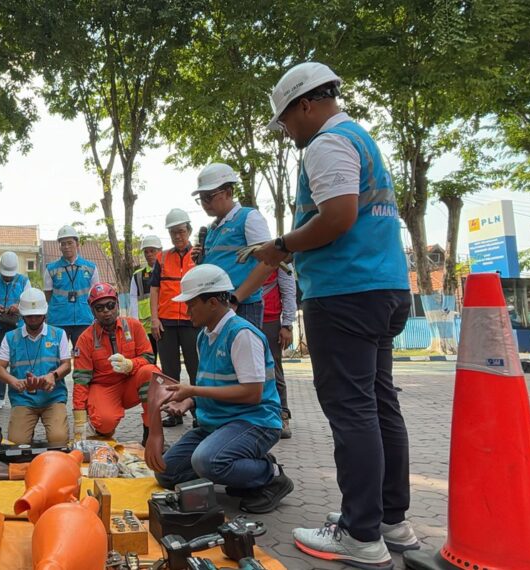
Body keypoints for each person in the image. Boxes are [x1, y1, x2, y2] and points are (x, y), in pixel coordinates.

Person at [251, 62, 418, 565]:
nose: (287, 130)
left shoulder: (327, 143)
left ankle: (360, 533)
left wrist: (281, 245)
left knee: (353, 411)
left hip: (346, 293)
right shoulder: (361, 139)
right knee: (379, 404)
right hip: (383, 287)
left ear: (305, 105)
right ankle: (390, 520)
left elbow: (338, 216)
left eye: (286, 119)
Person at [146, 265, 293, 514]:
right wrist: (187, 402)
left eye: (191, 304)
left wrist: (193, 391)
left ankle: (271, 475)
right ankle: (237, 470)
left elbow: (252, 394)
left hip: (255, 423)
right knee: (166, 472)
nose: (187, 311)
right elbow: (211, 386)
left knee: (207, 461)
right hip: (218, 423)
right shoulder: (205, 336)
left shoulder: (242, 335)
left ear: (213, 303)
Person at [72, 283, 159, 444]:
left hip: (131, 383)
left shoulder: (134, 326)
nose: (106, 311)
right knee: (104, 422)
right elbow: (81, 381)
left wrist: (131, 364)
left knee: (151, 373)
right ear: (92, 311)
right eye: (100, 308)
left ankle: (151, 432)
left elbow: (149, 358)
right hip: (104, 387)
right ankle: (101, 428)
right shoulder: (85, 339)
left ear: (117, 304)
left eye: (110, 305)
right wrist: (79, 421)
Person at [190, 163, 273, 328]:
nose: (205, 203)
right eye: (201, 198)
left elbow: (269, 262)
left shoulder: (249, 217)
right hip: (216, 307)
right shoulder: (212, 229)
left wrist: (236, 298)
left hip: (242, 306)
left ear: (228, 192)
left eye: (209, 196)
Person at [0, 288, 72, 444]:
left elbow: (67, 365)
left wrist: (53, 376)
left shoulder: (58, 334)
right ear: (22, 315)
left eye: (38, 315)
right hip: (23, 399)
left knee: (59, 440)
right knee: (17, 443)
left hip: (53, 398)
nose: (34, 319)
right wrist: (13, 381)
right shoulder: (10, 337)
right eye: (29, 316)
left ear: (45, 314)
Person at [150, 208, 200, 427]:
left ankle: (200, 413)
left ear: (189, 231)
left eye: (181, 231)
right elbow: (154, 290)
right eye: (173, 232)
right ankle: (173, 412)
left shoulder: (199, 256)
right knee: (169, 372)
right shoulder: (161, 258)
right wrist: (154, 319)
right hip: (166, 323)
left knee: (196, 368)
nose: (177, 236)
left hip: (192, 321)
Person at [0, 251, 30, 410]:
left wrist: (18, 306)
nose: (7, 278)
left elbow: (29, 300)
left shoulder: (24, 280)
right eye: (5, 275)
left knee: (20, 360)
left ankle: (21, 394)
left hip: (18, 327)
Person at [44, 224, 101, 344]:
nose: (66, 247)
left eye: (70, 243)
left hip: (84, 319)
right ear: (59, 247)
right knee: (56, 353)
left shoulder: (91, 268)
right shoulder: (50, 269)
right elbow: (48, 296)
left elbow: (95, 295)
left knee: (83, 353)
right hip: (58, 320)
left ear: (77, 244)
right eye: (63, 244)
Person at [261, 268, 297, 439]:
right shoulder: (239, 256)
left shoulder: (278, 258)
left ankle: (282, 414)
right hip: (242, 316)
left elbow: (289, 290)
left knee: (273, 370)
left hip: (269, 320)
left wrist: (287, 324)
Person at [129, 235, 162, 365]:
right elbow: (133, 298)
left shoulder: (166, 271)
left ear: (160, 250)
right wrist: (135, 322)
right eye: (146, 251)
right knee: (148, 361)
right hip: (145, 328)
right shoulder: (137, 275)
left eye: (152, 251)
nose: (149, 254)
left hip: (163, 324)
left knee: (167, 360)